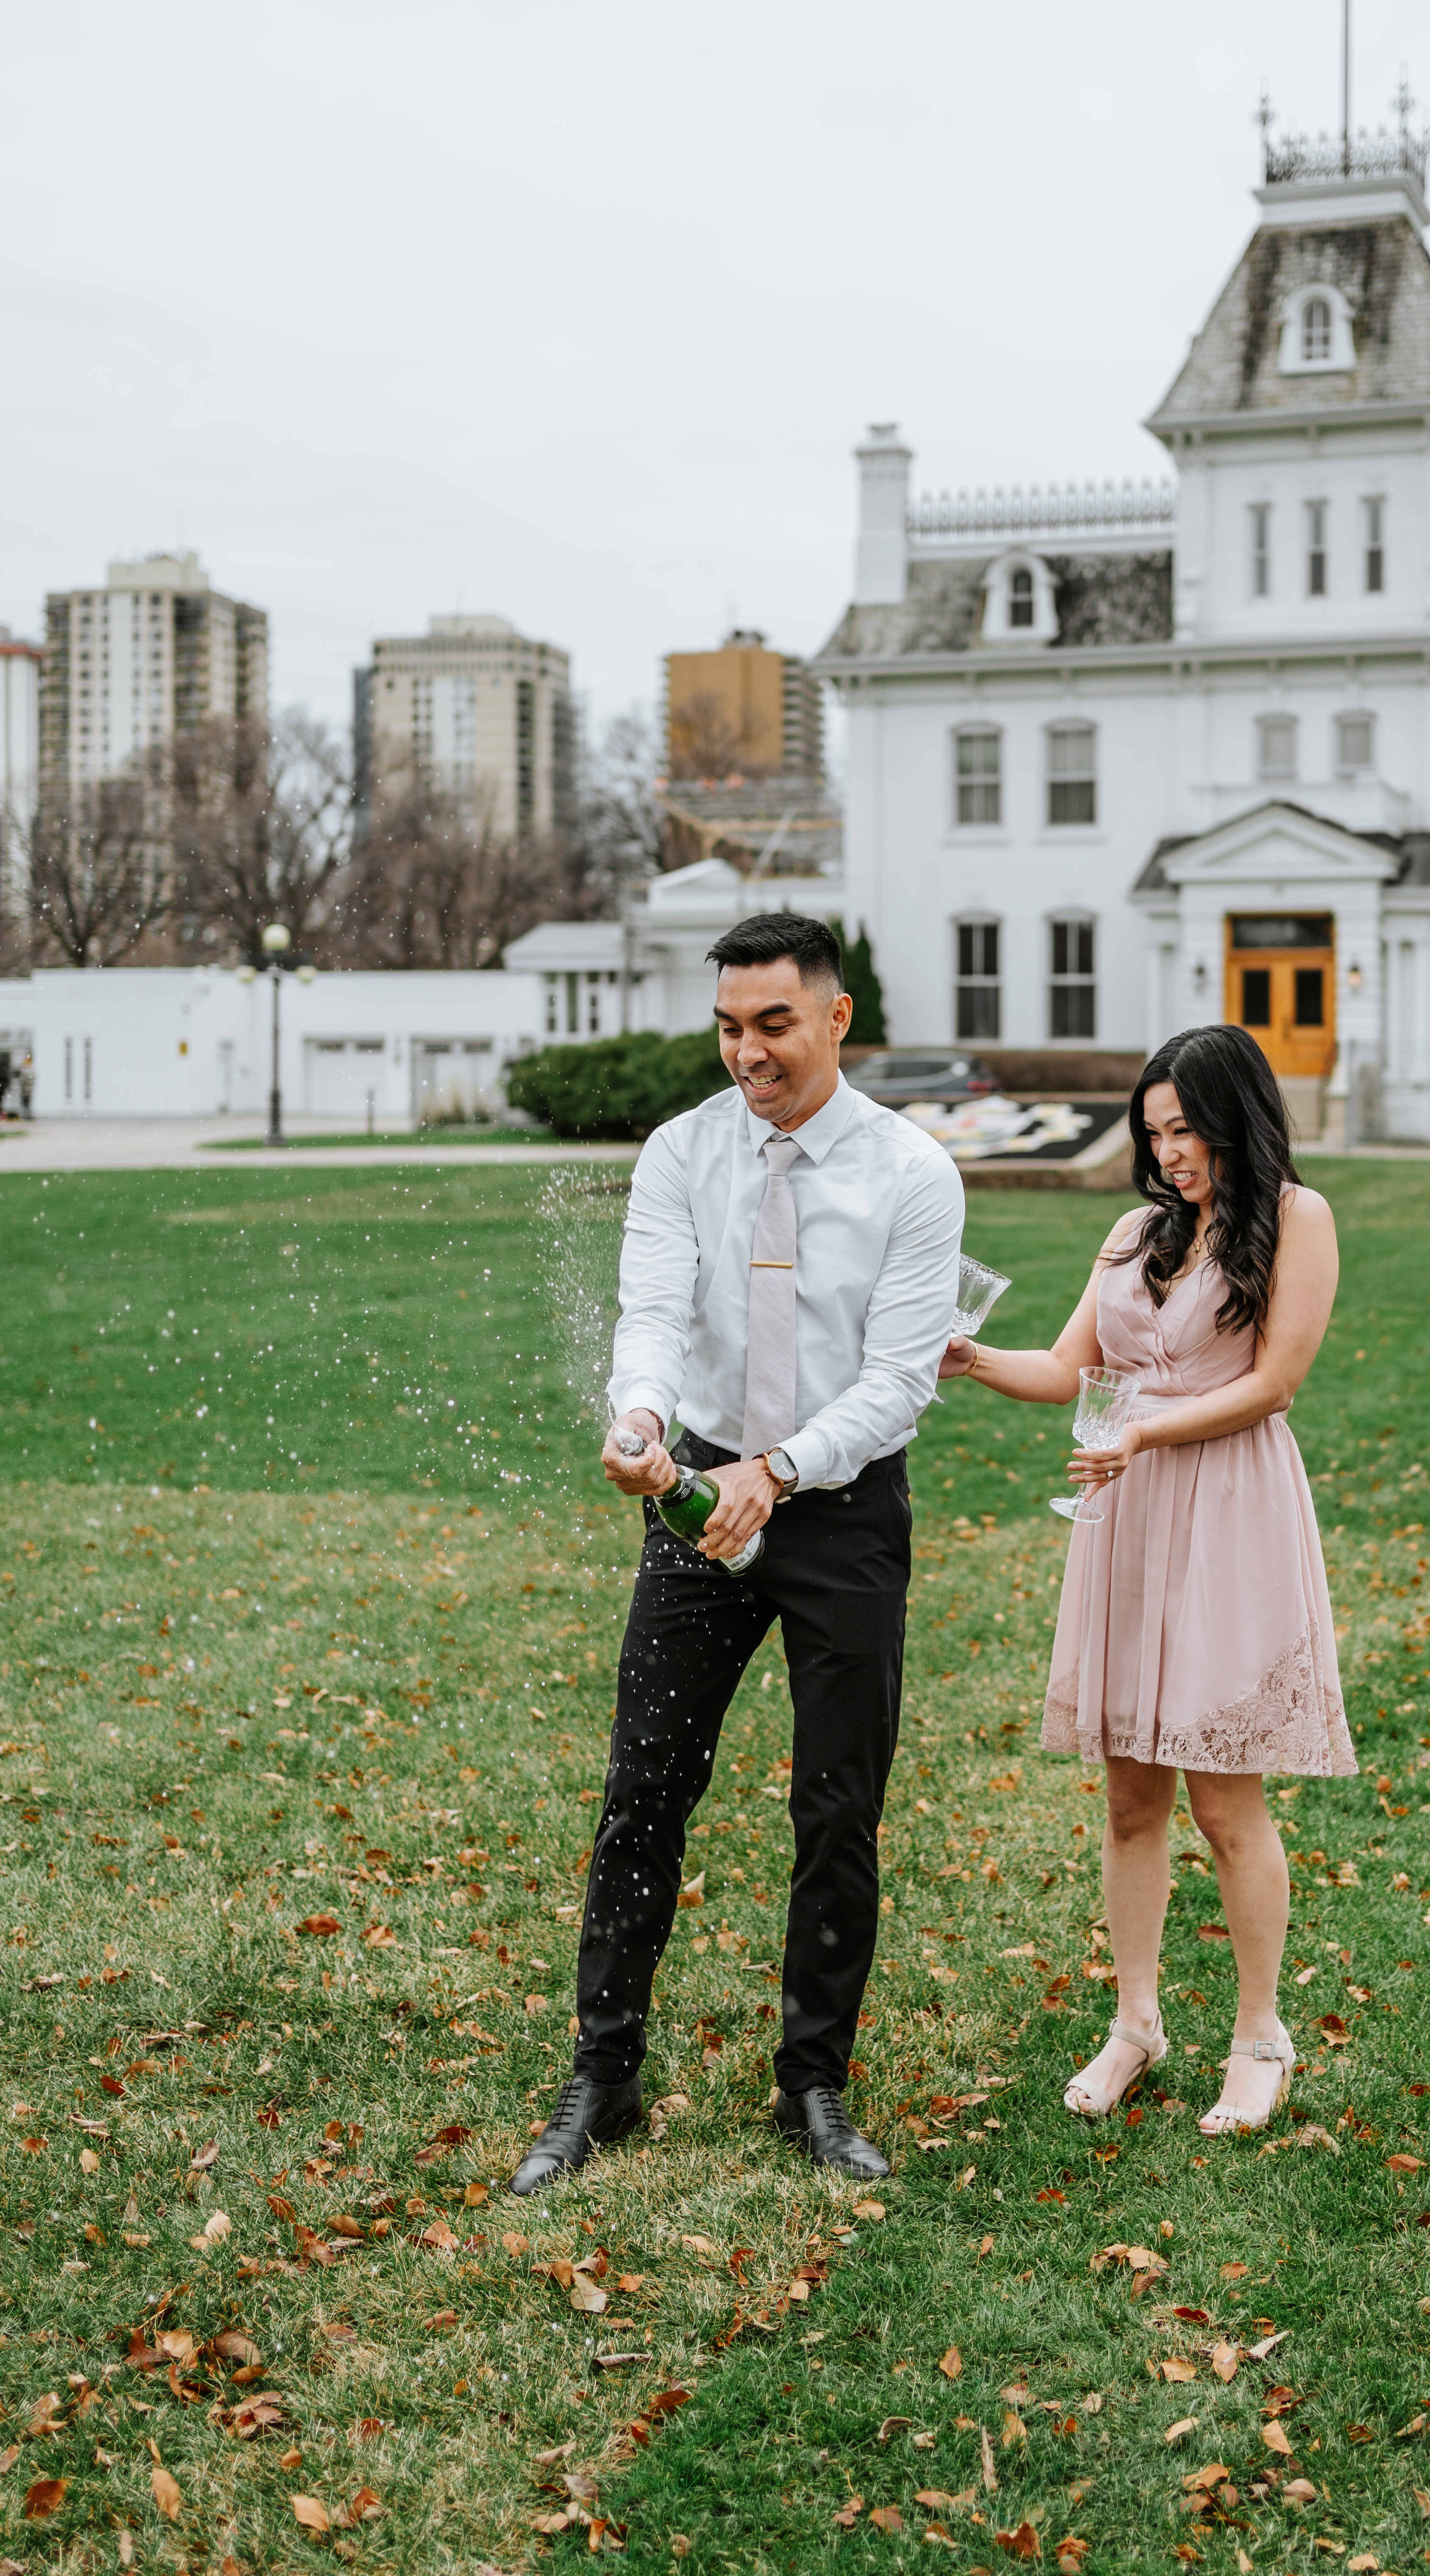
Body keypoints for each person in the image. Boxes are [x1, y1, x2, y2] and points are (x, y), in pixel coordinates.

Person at [511, 913, 965, 2194]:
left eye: (773, 1023)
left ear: (836, 1018)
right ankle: (603, 2072)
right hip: (700, 1488)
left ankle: (811, 2082)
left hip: (841, 1509)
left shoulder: (913, 1172)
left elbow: (896, 1385)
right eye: (728, 1024)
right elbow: (652, 1310)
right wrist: (642, 1421)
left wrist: (776, 1473)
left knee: (837, 1808)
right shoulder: (681, 1151)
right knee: (645, 1783)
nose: (747, 1051)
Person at [941, 1023, 1353, 2133]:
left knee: (1224, 1796)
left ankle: (1259, 2036)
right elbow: (1069, 1366)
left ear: (1238, 1118)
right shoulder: (1134, 1232)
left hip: (1225, 1515)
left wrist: (1147, 1432)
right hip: (1127, 1516)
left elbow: (1275, 1383)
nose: (1171, 1152)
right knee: (1129, 1795)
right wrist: (975, 1358)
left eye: (1190, 1129)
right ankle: (1135, 2021)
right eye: (1155, 1131)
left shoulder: (1296, 1218)